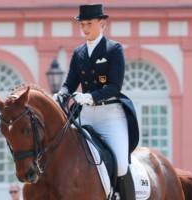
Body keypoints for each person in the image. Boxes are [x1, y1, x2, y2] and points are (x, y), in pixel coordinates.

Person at [51, 4, 140, 200]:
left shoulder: (113, 49)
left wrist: (91, 96)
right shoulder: (78, 53)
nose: (85, 28)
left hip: (110, 115)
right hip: (86, 117)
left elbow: (115, 86)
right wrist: (61, 94)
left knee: (121, 166)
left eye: (89, 23)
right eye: (82, 24)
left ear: (102, 23)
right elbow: (69, 84)